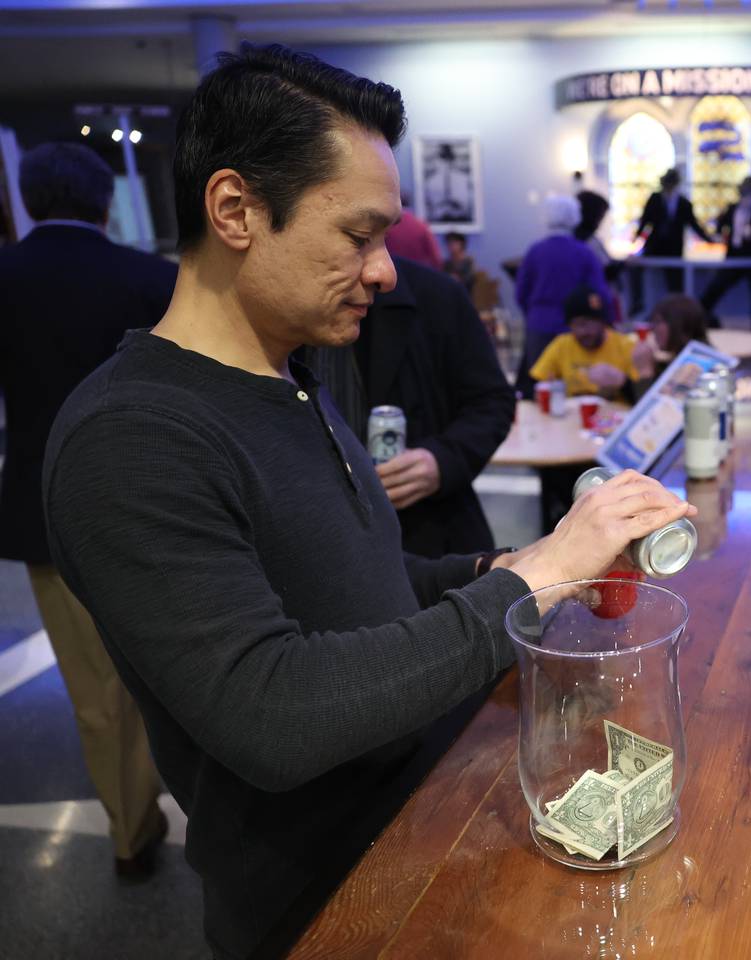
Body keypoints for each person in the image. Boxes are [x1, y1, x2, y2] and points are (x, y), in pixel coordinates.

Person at [42, 44, 693, 960]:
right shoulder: (133, 439)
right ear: (234, 209)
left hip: (424, 826)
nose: (386, 271)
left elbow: (359, 579)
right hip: (326, 904)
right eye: (359, 235)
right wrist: (534, 577)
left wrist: (494, 567)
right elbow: (273, 713)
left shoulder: (292, 379)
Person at [0, 141, 176, 878]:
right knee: (175, 668)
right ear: (107, 205)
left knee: (93, 689)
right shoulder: (151, 278)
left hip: (42, 503)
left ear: (29, 200)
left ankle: (128, 835)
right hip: (152, 500)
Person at [302, 255, 515, 557]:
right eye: (356, 235)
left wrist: (440, 460)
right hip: (315, 540)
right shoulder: (272, 310)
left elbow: (493, 400)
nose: (382, 272)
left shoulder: (436, 295)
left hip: (425, 534)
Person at [514, 193, 609, 397]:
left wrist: (533, 315)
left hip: (538, 326)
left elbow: (521, 292)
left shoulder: (535, 251)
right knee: (574, 390)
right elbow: (600, 293)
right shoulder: (584, 252)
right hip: (574, 329)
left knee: (541, 389)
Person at [529, 284, 638, 403]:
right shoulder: (562, 344)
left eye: (589, 324)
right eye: (577, 325)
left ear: (603, 323)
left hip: (617, 418)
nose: (584, 332)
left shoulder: (626, 345)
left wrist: (622, 381)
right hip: (572, 418)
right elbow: (533, 384)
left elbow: (643, 398)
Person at [699, 176, 751, 333]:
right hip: (734, 259)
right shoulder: (732, 208)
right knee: (714, 290)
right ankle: (706, 321)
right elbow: (719, 224)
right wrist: (715, 236)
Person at [632, 167, 714, 311]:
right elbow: (646, 220)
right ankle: (638, 302)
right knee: (637, 269)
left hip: (674, 249)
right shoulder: (655, 199)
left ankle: (676, 312)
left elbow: (693, 224)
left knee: (675, 283)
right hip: (655, 246)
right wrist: (637, 238)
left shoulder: (683, 203)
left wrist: (709, 240)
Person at [632, 293, 710, 391]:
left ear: (677, 324)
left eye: (658, 322)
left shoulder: (697, 363)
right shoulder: (689, 356)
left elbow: (662, 406)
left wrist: (645, 372)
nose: (653, 329)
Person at [383, 194, 443, 271]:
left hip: (394, 274)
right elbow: (436, 258)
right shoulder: (421, 226)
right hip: (419, 276)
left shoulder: (387, 228)